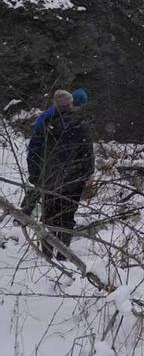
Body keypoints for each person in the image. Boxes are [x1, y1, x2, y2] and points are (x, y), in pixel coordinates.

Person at [27, 89, 95, 258]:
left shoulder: (44, 123)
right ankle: (62, 255)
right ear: (71, 103)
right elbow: (87, 153)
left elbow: (34, 151)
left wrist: (35, 176)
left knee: (49, 216)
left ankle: (47, 253)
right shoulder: (80, 124)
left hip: (49, 179)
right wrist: (87, 175)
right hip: (74, 180)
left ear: (55, 104)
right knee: (67, 216)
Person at [22, 89, 89, 218]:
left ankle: (28, 210)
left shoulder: (54, 112)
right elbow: (38, 137)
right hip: (48, 160)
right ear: (75, 102)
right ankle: (26, 211)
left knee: (42, 186)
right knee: (42, 187)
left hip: (46, 159)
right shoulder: (54, 116)